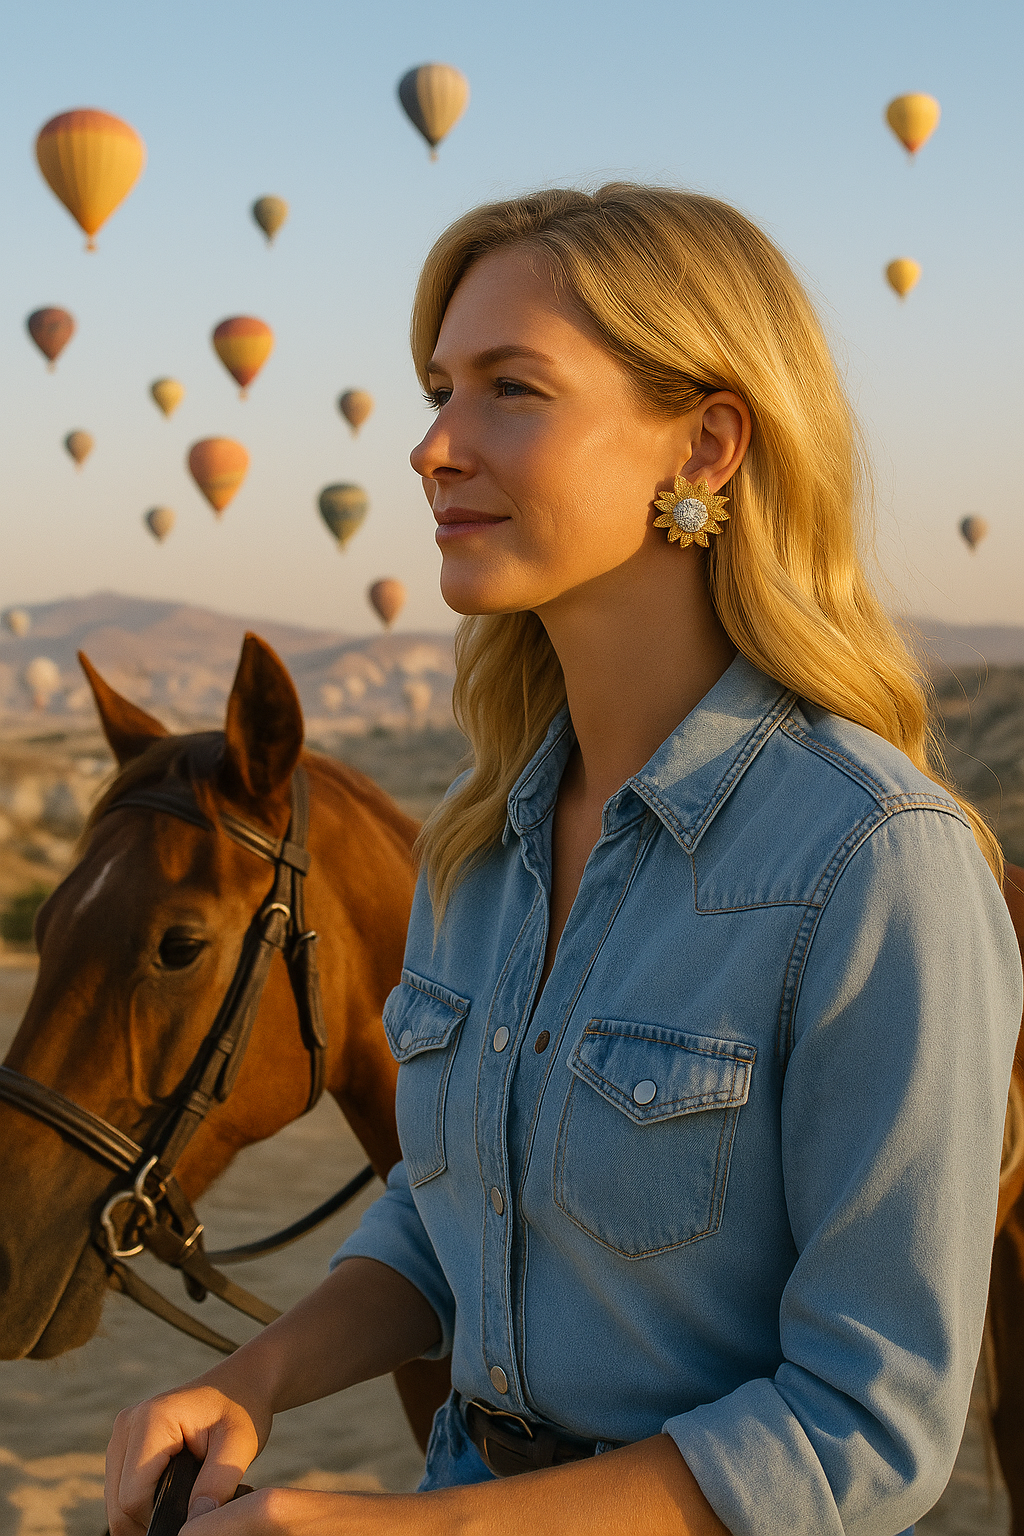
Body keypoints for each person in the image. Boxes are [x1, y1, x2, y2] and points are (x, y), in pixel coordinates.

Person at [104, 185, 1022, 1536]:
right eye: (439, 391)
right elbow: (451, 1214)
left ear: (706, 445)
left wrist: (387, 1532)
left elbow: (867, 1429)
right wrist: (252, 1379)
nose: (431, 446)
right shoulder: (479, 845)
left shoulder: (876, 863)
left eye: (511, 390)